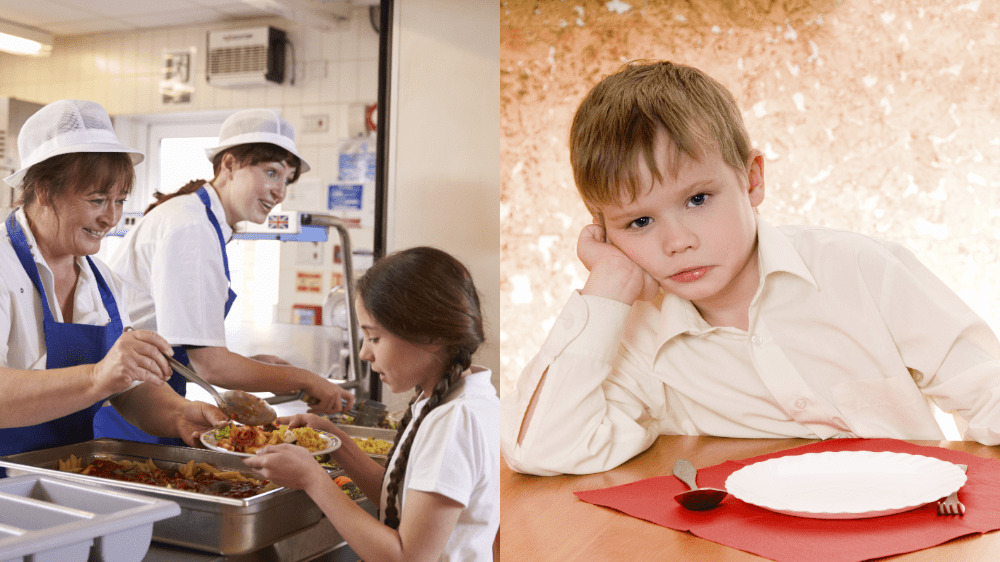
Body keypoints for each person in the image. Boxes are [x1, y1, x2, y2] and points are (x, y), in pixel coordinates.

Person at [499, 60, 1000, 476]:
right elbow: (541, 449)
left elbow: (990, 394)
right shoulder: (636, 331)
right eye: (639, 221)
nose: (677, 242)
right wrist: (607, 287)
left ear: (753, 179)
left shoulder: (862, 271)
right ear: (604, 232)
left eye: (698, 198)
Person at [97, 109, 355, 444]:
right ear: (229, 165)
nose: (280, 192)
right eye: (272, 173)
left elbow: (186, 343)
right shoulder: (191, 227)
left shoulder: (203, 221)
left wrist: (255, 366)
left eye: (286, 180)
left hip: (152, 393)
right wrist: (305, 379)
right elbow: (213, 368)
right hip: (134, 408)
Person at [0, 99, 227, 457]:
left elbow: (127, 389)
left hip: (64, 472)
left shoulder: (102, 281)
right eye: (97, 199)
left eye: (119, 201)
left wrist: (179, 414)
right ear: (43, 190)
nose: (111, 218)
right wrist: (96, 377)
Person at [245, 247, 500, 561]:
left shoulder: (456, 419)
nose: (365, 353)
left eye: (374, 337)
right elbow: (400, 499)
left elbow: (406, 557)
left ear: (430, 335)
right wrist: (335, 442)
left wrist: (312, 479)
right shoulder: (445, 401)